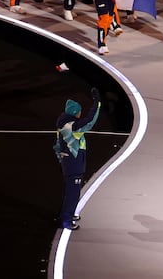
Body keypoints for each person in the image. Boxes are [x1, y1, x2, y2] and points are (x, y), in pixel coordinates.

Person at [53, 87, 102, 231]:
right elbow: (90, 121)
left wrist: (61, 161)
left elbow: (56, 145)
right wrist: (96, 102)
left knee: (72, 192)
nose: (81, 113)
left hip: (70, 164)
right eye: (79, 111)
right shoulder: (72, 127)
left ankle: (68, 214)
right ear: (75, 113)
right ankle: (66, 221)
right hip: (73, 165)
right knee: (72, 193)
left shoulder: (63, 125)